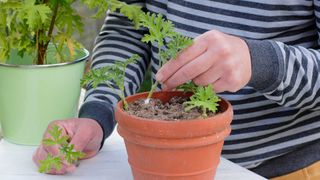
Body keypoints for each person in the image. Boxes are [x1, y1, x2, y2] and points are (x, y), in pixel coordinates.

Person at [33, 0, 320, 179]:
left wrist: (262, 63)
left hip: (285, 168)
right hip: (163, 165)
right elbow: (129, 25)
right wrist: (98, 113)